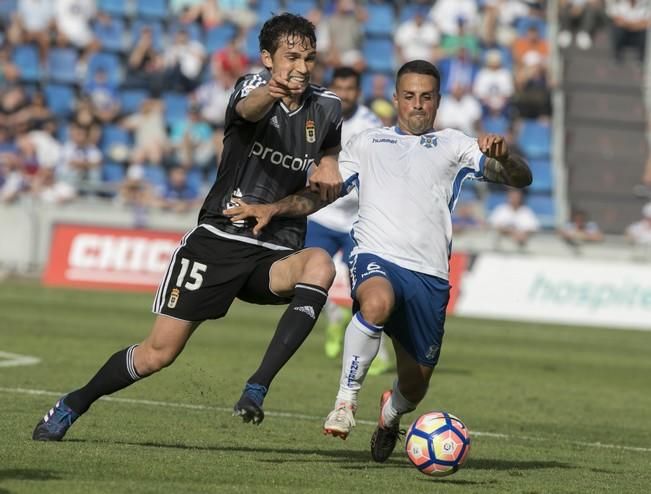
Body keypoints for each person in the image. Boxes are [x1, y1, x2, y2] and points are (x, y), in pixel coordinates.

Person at [32, 12, 343, 441]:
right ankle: (74, 402)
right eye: (291, 57)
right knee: (158, 354)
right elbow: (247, 108)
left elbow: (319, 183)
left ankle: (257, 387)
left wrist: (315, 174)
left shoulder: (328, 108)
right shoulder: (253, 89)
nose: (302, 68)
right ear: (267, 59)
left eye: (309, 58)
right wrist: (273, 92)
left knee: (321, 265)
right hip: (218, 238)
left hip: (274, 249)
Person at [222, 60, 532, 459]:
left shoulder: (457, 145)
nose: (417, 105)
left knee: (415, 387)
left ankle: (390, 414)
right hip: (375, 256)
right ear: (395, 100)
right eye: (409, 97)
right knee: (376, 302)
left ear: (437, 101)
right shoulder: (368, 143)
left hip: (430, 277)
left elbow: (520, 178)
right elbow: (321, 194)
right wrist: (274, 209)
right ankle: (345, 402)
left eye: (426, 97)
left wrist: (506, 158)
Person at [304, 66, 391, 375]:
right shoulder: (317, 115)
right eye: (339, 87)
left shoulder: (370, 126)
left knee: (366, 291)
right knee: (306, 279)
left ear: (359, 91)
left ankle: (377, 351)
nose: (344, 93)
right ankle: (334, 318)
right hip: (322, 215)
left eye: (350, 88)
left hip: (357, 220)